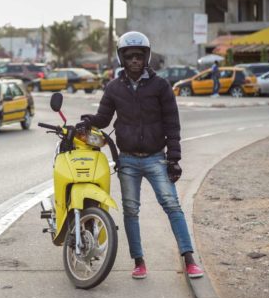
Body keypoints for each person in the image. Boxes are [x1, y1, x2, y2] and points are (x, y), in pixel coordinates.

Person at [79, 31, 204, 280]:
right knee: (130, 211)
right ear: (122, 59)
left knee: (172, 206)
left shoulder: (161, 86)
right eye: (129, 56)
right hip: (127, 160)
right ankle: (139, 261)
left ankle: (189, 259)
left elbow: (172, 123)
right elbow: (104, 119)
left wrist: (174, 159)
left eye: (139, 55)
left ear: (146, 57)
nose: (135, 60)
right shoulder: (114, 88)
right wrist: (87, 121)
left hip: (156, 157)